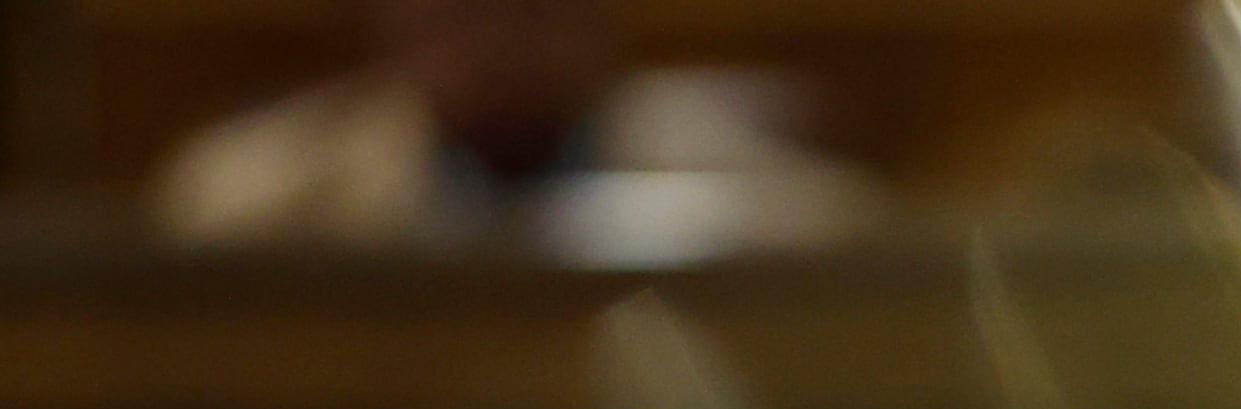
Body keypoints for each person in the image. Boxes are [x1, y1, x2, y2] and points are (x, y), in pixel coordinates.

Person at [152, 0, 874, 254]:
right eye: (462, 7)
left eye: (533, 3)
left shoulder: (761, 206)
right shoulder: (263, 199)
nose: (495, 36)